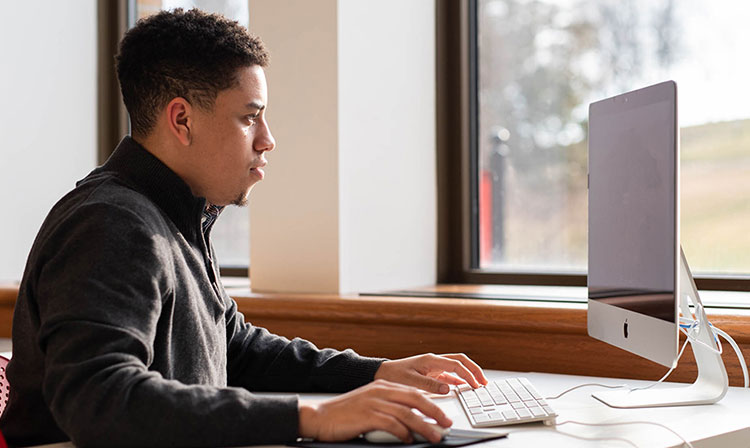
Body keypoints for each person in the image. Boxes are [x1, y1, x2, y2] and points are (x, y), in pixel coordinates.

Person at [0, 9, 487, 447]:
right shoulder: (112, 225)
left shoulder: (176, 216)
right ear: (182, 120)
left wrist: (378, 372)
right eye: (249, 118)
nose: (268, 139)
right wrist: (309, 417)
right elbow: (99, 401)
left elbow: (234, 348)